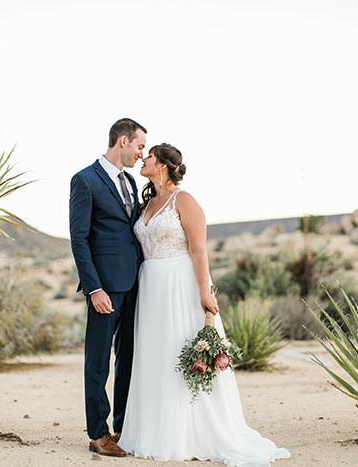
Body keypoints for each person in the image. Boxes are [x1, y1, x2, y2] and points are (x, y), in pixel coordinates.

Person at [118, 143, 290, 465]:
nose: (143, 158)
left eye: (150, 156)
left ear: (165, 165)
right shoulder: (146, 203)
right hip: (151, 286)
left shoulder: (184, 201)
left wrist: (204, 292)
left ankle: (187, 433)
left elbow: (199, 251)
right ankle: (153, 429)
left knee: (178, 349)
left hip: (180, 284)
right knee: (155, 354)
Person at [69, 118, 146, 457]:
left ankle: (123, 426)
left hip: (134, 284)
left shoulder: (129, 180)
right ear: (124, 141)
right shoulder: (85, 180)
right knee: (98, 361)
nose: (141, 154)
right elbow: (79, 239)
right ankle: (98, 433)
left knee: (127, 358)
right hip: (104, 288)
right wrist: (93, 288)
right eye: (140, 146)